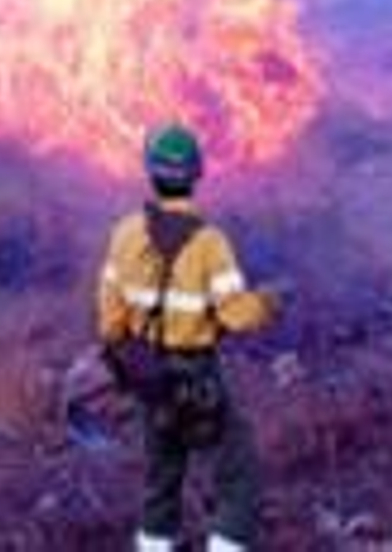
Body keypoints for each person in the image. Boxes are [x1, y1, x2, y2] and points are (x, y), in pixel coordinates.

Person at [97, 123, 277, 552]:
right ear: (195, 175)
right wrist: (268, 302)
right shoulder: (210, 243)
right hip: (196, 380)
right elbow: (236, 316)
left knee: (160, 482)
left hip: (149, 381)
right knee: (239, 474)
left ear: (150, 173)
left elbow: (109, 323)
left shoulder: (124, 235)